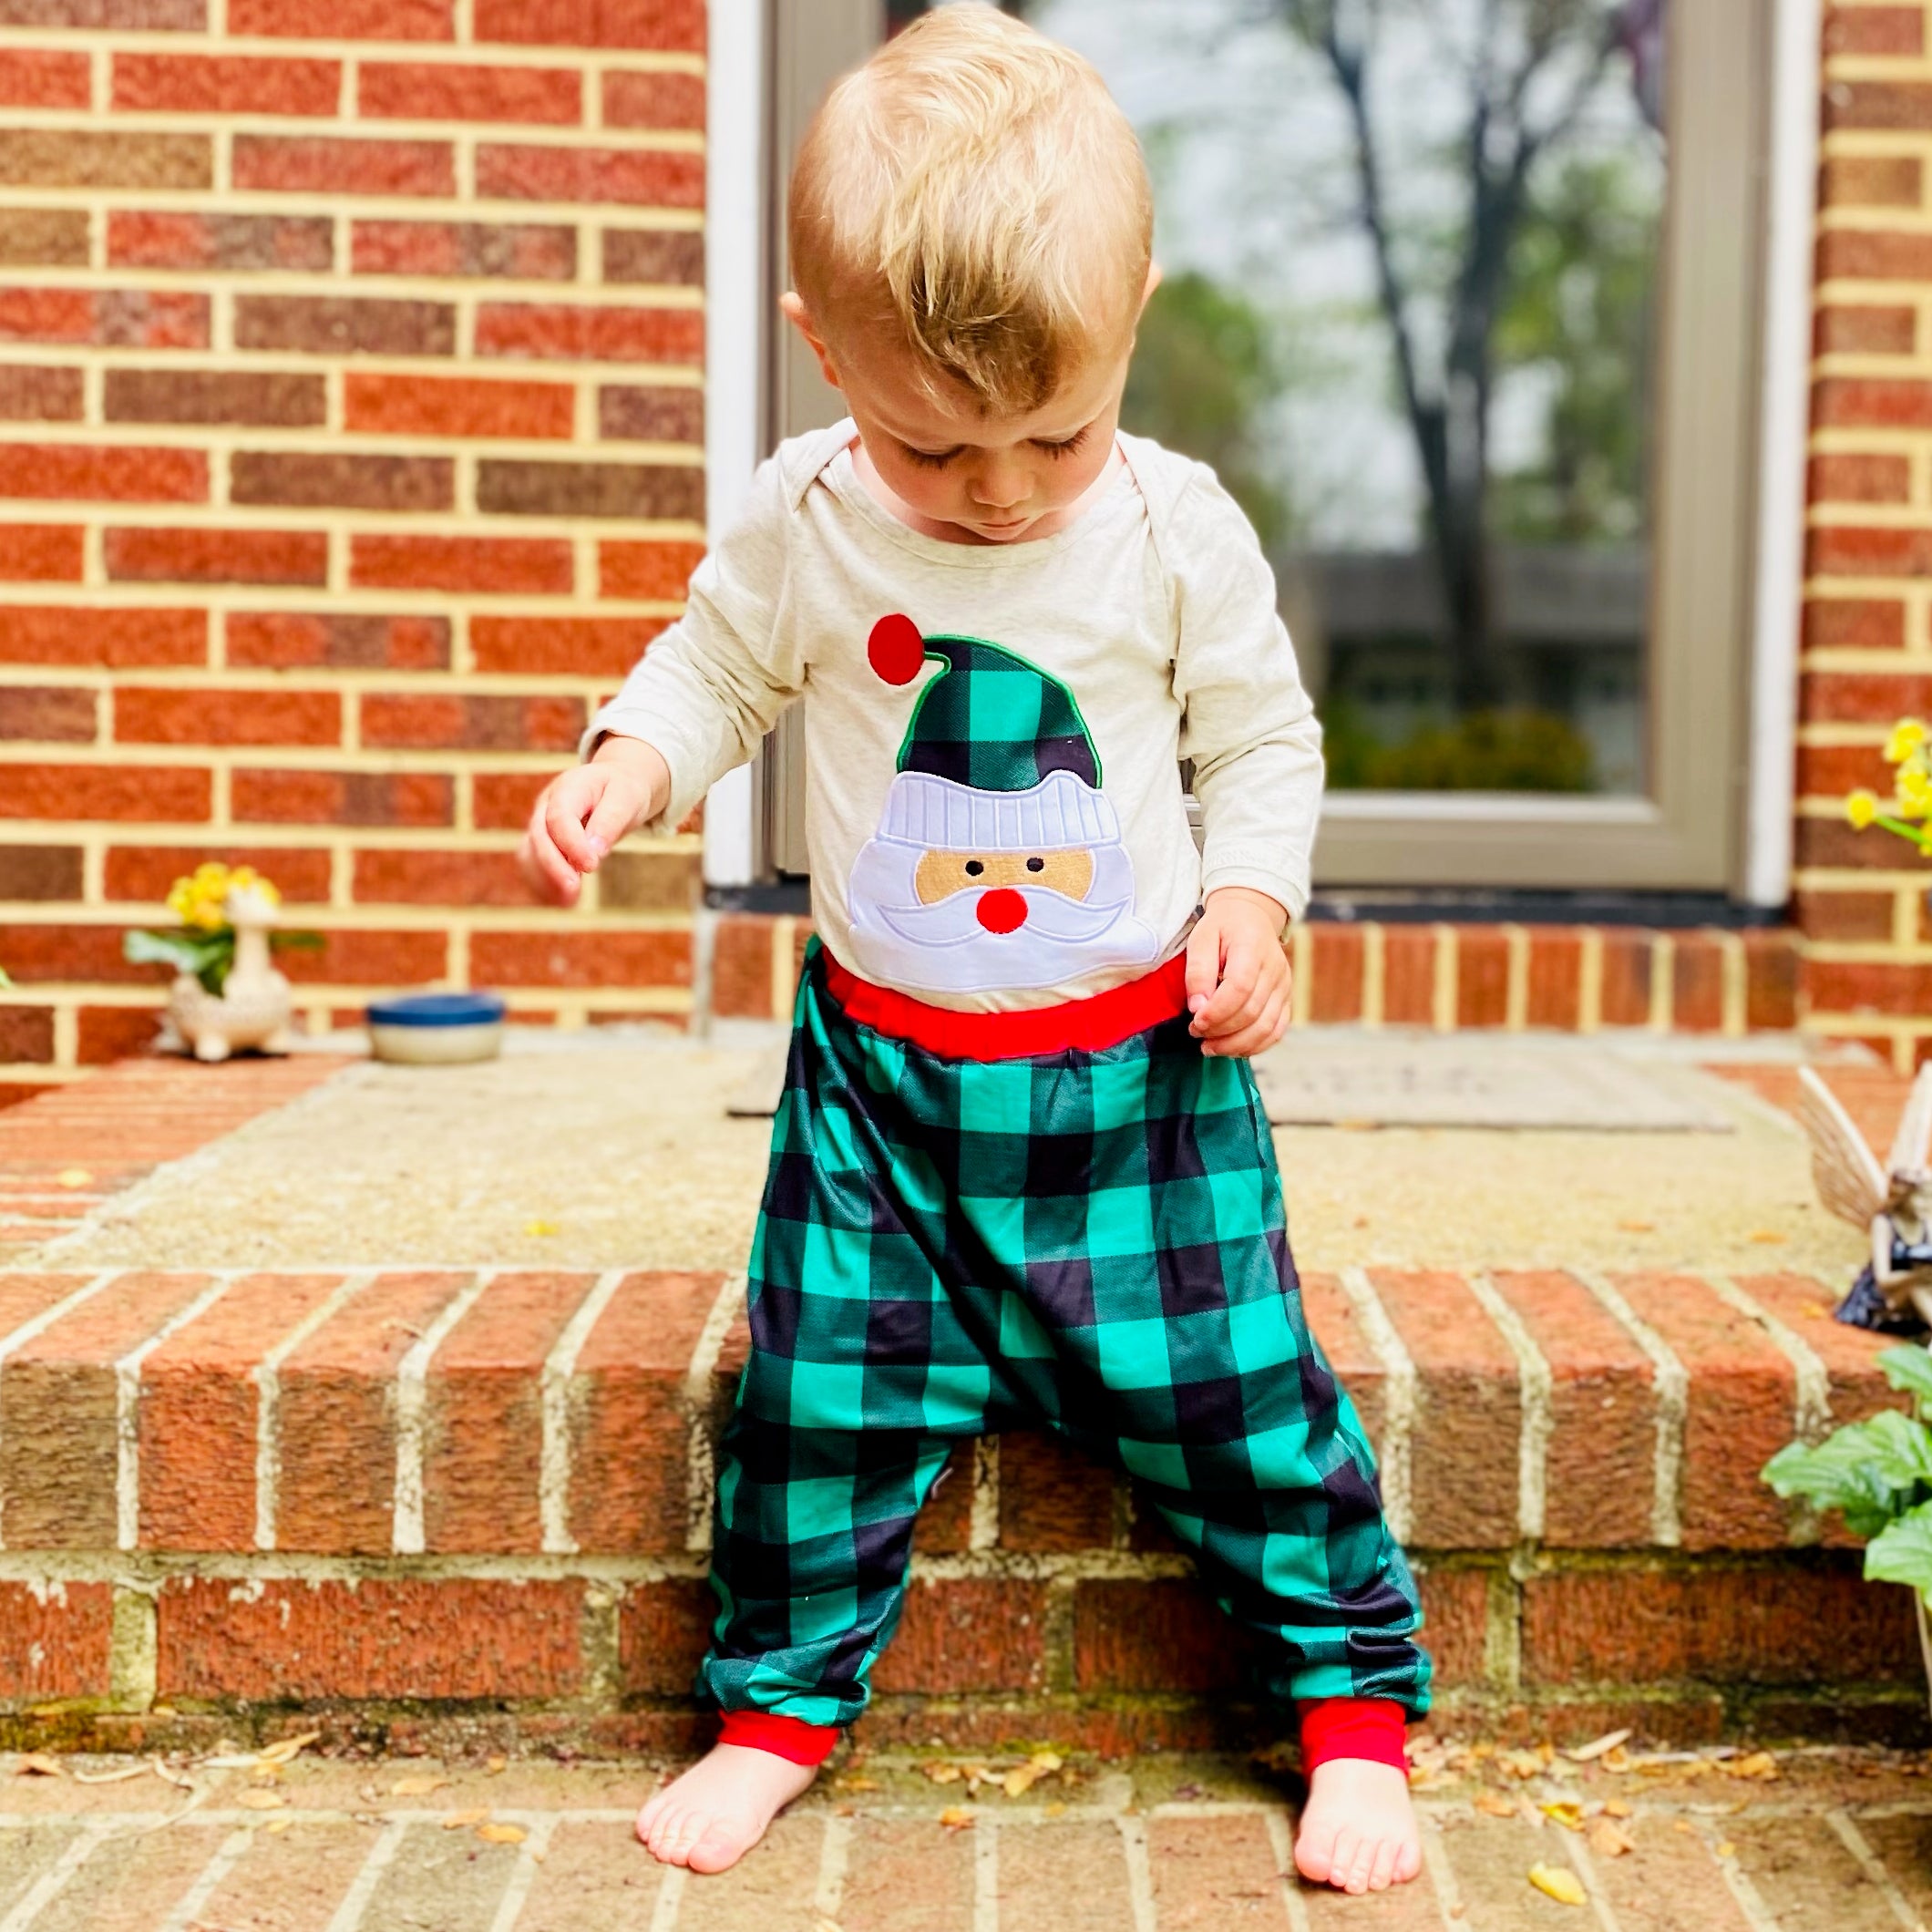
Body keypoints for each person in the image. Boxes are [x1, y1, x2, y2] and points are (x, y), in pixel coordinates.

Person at [518, 5, 1429, 1896]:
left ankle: (1346, 1705)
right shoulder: (809, 516)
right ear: (821, 352)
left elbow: (1259, 743)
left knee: (1239, 1397)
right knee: (817, 1404)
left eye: (1054, 430)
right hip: (882, 1091)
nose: (1000, 488)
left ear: (1135, 318)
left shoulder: (1173, 529)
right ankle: (776, 1706)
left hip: (1137, 1093)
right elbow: (715, 663)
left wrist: (1250, 903)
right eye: (932, 441)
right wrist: (631, 763)